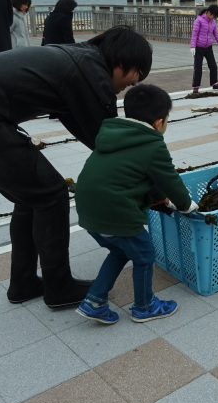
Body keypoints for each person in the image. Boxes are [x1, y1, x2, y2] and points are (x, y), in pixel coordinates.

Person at [0, 25, 153, 308]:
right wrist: (152, 179)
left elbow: (93, 135)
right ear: (122, 60)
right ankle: (58, 287)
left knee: (31, 197)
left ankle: (23, 282)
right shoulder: (91, 71)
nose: (132, 84)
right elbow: (109, 138)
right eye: (135, 75)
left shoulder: (77, 61)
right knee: (51, 194)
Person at [74, 84, 198, 324]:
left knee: (120, 251)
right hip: (117, 214)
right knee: (144, 256)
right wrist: (185, 205)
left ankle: (94, 302)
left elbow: (132, 173)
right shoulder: (152, 145)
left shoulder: (112, 135)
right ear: (159, 122)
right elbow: (170, 179)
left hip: (89, 213)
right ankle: (145, 306)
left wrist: (158, 196)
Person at [190, 4, 218, 92]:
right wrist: (192, 46)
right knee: (198, 68)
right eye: (213, 15)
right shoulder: (198, 20)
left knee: (213, 66)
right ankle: (196, 86)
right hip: (199, 47)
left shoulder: (213, 22)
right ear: (208, 12)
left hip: (208, 47)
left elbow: (217, 35)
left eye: (215, 17)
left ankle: (215, 83)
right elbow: (194, 34)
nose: (213, 18)